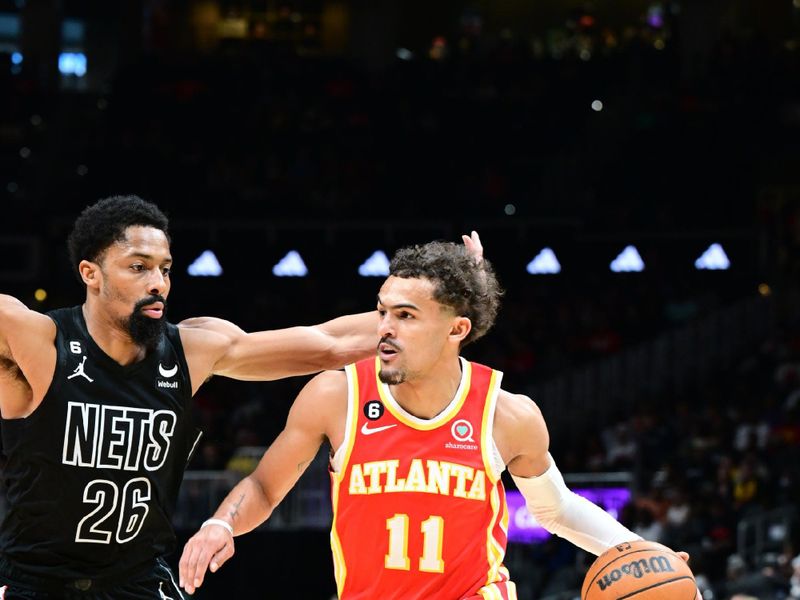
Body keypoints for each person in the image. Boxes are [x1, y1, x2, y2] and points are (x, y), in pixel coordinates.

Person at [179, 240, 690, 599]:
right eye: (382, 312)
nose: (384, 328)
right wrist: (221, 523)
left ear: (457, 329)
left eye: (405, 316)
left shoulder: (507, 414)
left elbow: (556, 510)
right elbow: (267, 488)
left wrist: (638, 549)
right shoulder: (336, 395)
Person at [0, 194, 416, 599]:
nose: (157, 283)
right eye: (138, 268)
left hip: (139, 580)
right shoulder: (40, 342)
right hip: (35, 583)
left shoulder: (191, 350)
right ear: (91, 273)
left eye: (165, 269)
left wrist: (433, 307)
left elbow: (328, 343)